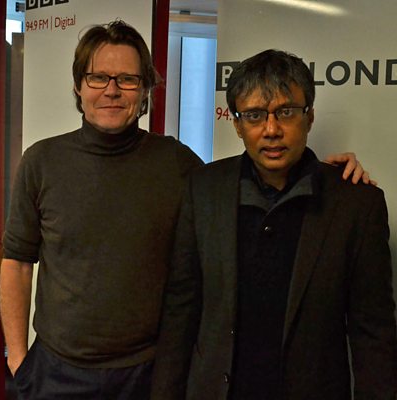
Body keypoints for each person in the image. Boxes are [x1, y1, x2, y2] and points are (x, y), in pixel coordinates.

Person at [0, 19, 371, 399]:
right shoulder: (41, 162)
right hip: (56, 374)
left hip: (149, 374)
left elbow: (251, 173)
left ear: (145, 89)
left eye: (127, 79)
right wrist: (19, 362)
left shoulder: (178, 164)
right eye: (98, 77)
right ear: (79, 85)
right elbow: (17, 263)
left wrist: (325, 177)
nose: (112, 90)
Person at [150, 49, 397, 400]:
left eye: (286, 112)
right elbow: (181, 311)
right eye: (254, 115)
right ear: (237, 124)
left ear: (309, 117)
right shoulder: (203, 189)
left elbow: (373, 332)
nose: (271, 130)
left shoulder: (356, 203)